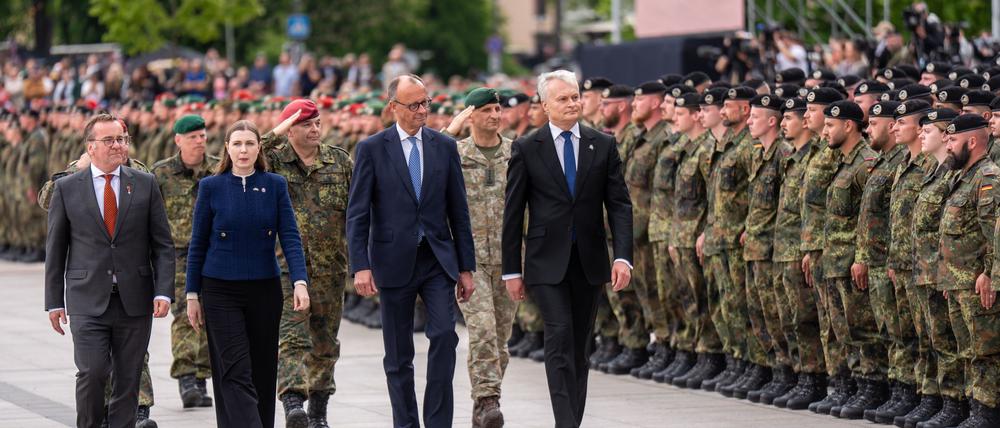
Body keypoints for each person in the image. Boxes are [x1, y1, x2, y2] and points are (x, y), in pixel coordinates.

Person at [502, 70, 633, 428]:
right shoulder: (528, 147)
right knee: (559, 337)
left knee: (579, 346)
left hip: (589, 262)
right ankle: (565, 423)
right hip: (546, 264)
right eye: (563, 98)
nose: (573, 103)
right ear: (545, 105)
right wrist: (511, 269)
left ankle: (571, 420)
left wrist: (622, 257)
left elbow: (619, 204)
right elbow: (513, 213)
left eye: (575, 96)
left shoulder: (602, 144)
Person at [346, 74, 476, 428]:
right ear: (393, 108)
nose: (422, 110)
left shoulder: (443, 146)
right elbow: (357, 213)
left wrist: (466, 267)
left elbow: (458, 210)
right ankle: (406, 423)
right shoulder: (372, 148)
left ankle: (437, 422)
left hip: (436, 259)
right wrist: (361, 266)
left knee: (445, 337)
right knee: (399, 354)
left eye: (426, 103)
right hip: (392, 260)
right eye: (414, 104)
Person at [44, 113, 175, 428]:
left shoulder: (144, 183)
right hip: (87, 298)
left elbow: (162, 244)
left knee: (128, 379)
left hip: (134, 298)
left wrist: (163, 291)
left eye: (122, 139)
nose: (117, 145)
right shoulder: (67, 188)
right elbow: (56, 249)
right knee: (92, 372)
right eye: (109, 140)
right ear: (90, 147)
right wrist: (54, 301)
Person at [185, 120, 311, 428]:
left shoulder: (275, 185)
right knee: (234, 368)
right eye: (237, 143)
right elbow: (197, 243)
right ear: (227, 148)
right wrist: (191, 294)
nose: (243, 150)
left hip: (264, 289)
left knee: (262, 370)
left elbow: (290, 237)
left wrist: (299, 281)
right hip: (220, 290)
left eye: (250, 144)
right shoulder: (211, 187)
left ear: (259, 148)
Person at [261, 99, 353, 428]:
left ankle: (318, 410)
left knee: (325, 342)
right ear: (290, 130)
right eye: (305, 124)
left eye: (317, 123)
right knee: (291, 338)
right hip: (285, 267)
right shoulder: (273, 161)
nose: (314, 129)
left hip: (331, 269)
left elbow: (357, 213)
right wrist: (279, 130)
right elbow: (244, 154)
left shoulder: (338, 161)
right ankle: (292, 404)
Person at [449, 87, 517, 427]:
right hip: (470, 260)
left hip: (509, 261)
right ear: (470, 115)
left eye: (497, 108)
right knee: (483, 331)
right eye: (486, 109)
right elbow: (424, 164)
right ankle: (490, 400)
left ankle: (482, 403)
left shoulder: (516, 153)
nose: (494, 115)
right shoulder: (454, 154)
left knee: (501, 340)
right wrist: (451, 128)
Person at [150, 114, 218, 409]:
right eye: (192, 137)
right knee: (184, 315)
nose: (199, 141)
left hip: (215, 253)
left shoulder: (217, 169)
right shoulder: (162, 173)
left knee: (211, 316)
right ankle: (187, 376)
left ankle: (202, 377)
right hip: (178, 256)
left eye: (202, 136)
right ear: (178, 140)